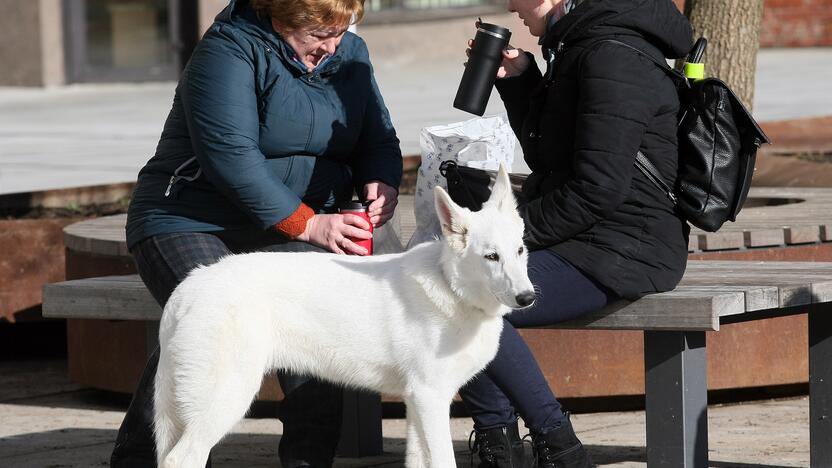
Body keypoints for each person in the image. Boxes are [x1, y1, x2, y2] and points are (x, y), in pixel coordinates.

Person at [110, 0, 402, 467]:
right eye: (318, 34)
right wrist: (307, 223)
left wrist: (380, 177)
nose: (331, 46)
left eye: (341, 32)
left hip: (295, 226)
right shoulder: (227, 51)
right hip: (191, 218)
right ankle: (143, 459)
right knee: (212, 314)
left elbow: (378, 137)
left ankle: (308, 460)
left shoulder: (351, 53)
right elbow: (230, 155)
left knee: (320, 324)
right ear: (283, 18)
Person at [459, 0, 692, 467]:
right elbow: (553, 156)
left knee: (464, 297)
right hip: (587, 235)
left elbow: (597, 189)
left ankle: (559, 446)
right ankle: (500, 444)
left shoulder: (613, 55)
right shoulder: (581, 44)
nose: (510, 5)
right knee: (447, 281)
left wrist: (509, 237)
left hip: (623, 246)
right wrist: (524, 81)